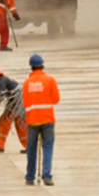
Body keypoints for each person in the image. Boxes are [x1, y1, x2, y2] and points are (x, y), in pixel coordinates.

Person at [22, 53, 60, 186]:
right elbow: (55, 99)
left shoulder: (26, 83)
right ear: (42, 66)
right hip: (48, 119)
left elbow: (25, 103)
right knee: (47, 147)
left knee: (31, 149)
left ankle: (29, 177)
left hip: (32, 120)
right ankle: (47, 176)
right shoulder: (50, 80)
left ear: (31, 67)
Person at [0, 60, 27, 154]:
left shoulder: (0, 81)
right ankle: (29, 147)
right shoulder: (1, 79)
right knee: (20, 123)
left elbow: (1, 96)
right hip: (17, 100)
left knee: (4, 121)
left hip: (16, 101)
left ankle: (0, 145)